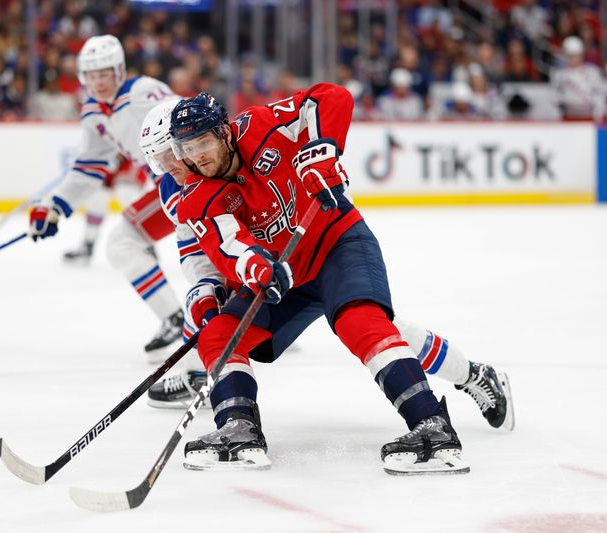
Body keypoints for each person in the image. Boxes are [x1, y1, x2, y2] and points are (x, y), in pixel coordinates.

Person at [138, 99, 515, 434]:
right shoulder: (182, 193)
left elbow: (327, 98)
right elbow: (207, 254)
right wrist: (208, 294)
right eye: (165, 157)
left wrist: (321, 150)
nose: (177, 164)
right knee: (218, 333)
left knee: (365, 325)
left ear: (219, 133)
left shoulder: (257, 129)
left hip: (331, 245)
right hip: (278, 274)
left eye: (177, 152)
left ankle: (464, 384)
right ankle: (237, 427)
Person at [27, 34, 184, 363]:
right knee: (123, 243)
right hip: (168, 186)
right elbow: (90, 165)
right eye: (92, 75)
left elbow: (190, 118)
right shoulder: (93, 112)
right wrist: (55, 205)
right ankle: (177, 317)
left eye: (105, 74)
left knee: (213, 253)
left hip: (188, 180)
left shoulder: (143, 92)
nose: (99, 82)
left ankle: (245, 315)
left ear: (119, 71)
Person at [551, 36, 605, 120]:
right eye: (570, 55)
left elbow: (599, 94)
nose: (574, 58)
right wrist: (557, 116)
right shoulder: (560, 74)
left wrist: (598, 114)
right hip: (567, 116)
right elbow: (554, 97)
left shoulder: (592, 72)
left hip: (588, 115)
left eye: (576, 55)